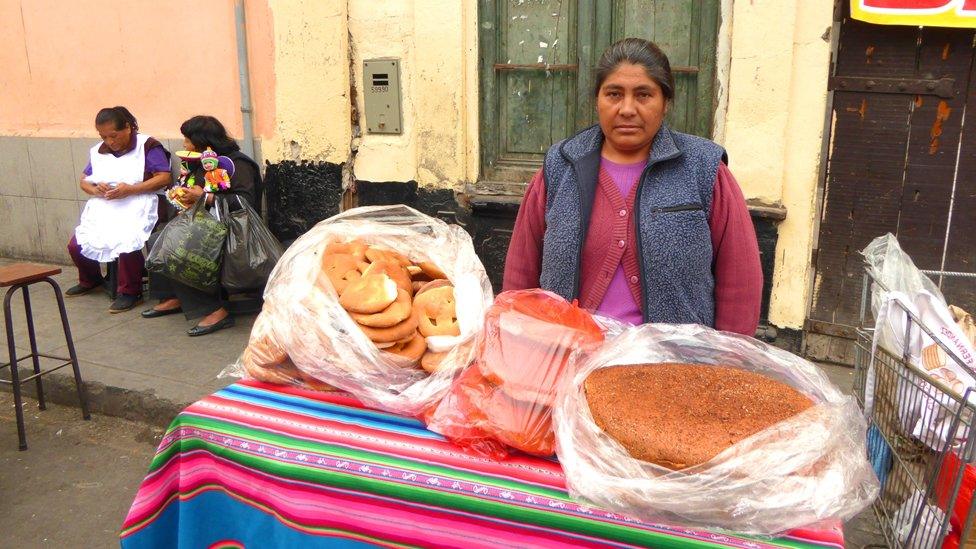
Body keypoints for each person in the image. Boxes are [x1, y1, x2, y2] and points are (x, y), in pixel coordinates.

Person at [503, 38, 763, 335]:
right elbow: (520, 271)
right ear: (597, 100)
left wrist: (727, 364)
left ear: (665, 103)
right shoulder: (561, 167)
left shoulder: (703, 169)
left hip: (671, 367)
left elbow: (740, 281)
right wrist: (516, 342)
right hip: (570, 362)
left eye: (643, 95)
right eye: (614, 94)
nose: (627, 109)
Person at [142, 115, 262, 336]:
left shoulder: (238, 164)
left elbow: (246, 203)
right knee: (158, 237)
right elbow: (197, 192)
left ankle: (215, 310)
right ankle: (172, 296)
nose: (184, 145)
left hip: (233, 228)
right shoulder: (202, 162)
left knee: (184, 248)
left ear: (203, 141)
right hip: (204, 222)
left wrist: (205, 198)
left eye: (187, 140)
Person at [67, 107, 172, 313]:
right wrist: (96, 189)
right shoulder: (99, 151)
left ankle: (130, 291)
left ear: (128, 127)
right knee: (76, 244)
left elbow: (163, 177)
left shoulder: (148, 145)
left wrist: (131, 189)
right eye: (104, 136)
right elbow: (84, 181)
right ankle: (91, 279)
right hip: (107, 203)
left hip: (140, 201)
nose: (110, 142)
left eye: (113, 136)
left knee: (126, 239)